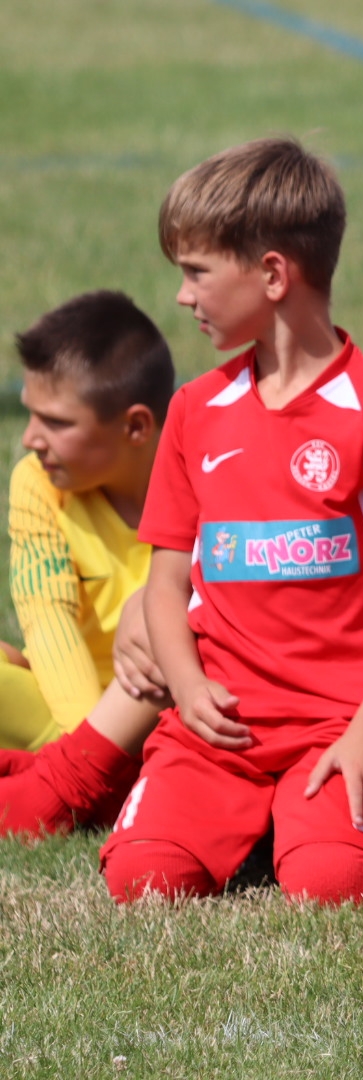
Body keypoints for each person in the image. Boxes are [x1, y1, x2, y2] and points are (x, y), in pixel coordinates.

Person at [100, 137, 363, 905]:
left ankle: (318, 822)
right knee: (144, 880)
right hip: (222, 729)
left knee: (334, 883)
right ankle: (251, 817)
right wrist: (188, 688)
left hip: (340, 723)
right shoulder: (195, 410)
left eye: (196, 272)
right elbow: (166, 585)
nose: (182, 296)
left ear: (274, 275)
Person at [0, 291, 173, 836]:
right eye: (30, 412)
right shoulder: (38, 483)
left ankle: (53, 780)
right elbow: (47, 621)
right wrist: (90, 747)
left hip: (172, 719)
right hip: (72, 717)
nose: (30, 438)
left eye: (55, 422)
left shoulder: (207, 479)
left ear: (136, 427)